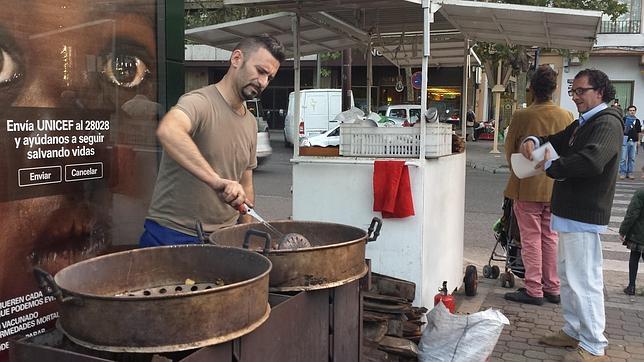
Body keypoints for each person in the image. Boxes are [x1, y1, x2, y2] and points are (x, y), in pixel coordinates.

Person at [139, 35, 285, 247]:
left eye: (269, 78)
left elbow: (246, 183)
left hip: (223, 239)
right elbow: (169, 130)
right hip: (172, 235)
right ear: (236, 59)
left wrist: (246, 234)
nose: (263, 82)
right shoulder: (199, 102)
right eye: (261, 71)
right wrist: (216, 181)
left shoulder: (251, 123)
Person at [520, 69, 622, 361]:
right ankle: (573, 330)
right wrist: (533, 141)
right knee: (568, 276)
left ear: (599, 92)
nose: (575, 96)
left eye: (581, 91)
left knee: (584, 280)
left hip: (584, 212)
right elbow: (555, 139)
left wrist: (553, 166)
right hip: (570, 211)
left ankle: (593, 344)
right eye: (573, 90)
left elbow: (591, 161)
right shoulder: (583, 122)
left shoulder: (607, 123)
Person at [503, 65, 574, 306]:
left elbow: (510, 150)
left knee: (530, 238)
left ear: (531, 88)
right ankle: (553, 287)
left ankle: (534, 289)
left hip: (527, 185)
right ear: (554, 89)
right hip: (555, 187)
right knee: (551, 237)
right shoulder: (566, 116)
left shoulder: (522, 116)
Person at [618, 189, 644, 296]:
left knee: (634, 258)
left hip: (639, 233)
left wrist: (623, 231)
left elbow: (632, 213)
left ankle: (631, 286)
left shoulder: (641, 193)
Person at [619, 105, 641, 179]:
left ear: (635, 111)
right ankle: (622, 173)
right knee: (623, 158)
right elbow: (620, 129)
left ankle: (630, 173)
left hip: (634, 141)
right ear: (628, 111)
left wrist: (638, 141)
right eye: (631, 110)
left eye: (633, 110)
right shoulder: (624, 119)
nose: (632, 111)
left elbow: (639, 132)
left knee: (632, 158)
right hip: (625, 140)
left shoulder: (637, 121)